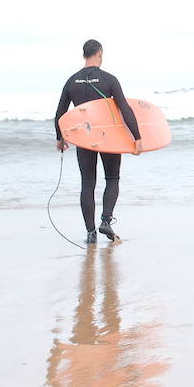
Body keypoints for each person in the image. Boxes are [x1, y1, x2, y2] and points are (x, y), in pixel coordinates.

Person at [54, 39, 141, 244]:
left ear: (84, 55)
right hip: (108, 138)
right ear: (100, 53)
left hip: (84, 139)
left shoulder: (71, 81)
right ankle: (106, 220)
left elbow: (60, 113)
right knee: (112, 178)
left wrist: (60, 138)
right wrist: (137, 137)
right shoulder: (109, 79)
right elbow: (125, 109)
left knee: (87, 183)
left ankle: (91, 233)